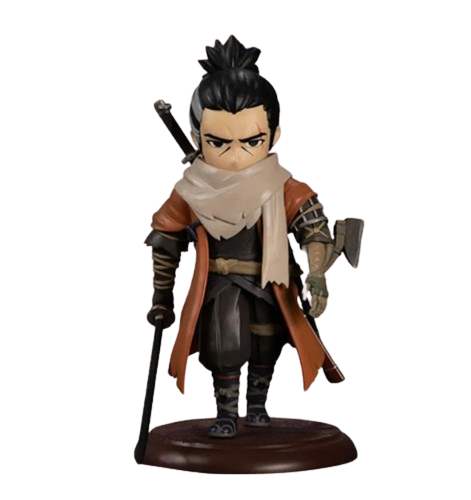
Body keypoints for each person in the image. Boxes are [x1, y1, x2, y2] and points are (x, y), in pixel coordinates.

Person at [146, 35, 337, 438]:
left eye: (251, 141)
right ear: (196, 138)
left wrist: (318, 274)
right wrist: (161, 297)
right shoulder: (191, 190)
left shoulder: (284, 187)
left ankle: (258, 407)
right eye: (218, 142)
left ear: (274, 135)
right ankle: (227, 414)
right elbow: (165, 239)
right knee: (224, 344)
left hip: (273, 284)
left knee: (267, 345)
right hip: (219, 284)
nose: (235, 155)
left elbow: (314, 228)